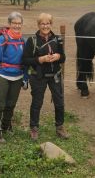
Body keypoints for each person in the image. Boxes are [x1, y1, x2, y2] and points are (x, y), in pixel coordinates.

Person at [22, 13, 68, 141]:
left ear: (51, 24)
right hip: (38, 77)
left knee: (59, 103)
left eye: (48, 23)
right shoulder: (32, 40)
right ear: (38, 25)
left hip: (55, 76)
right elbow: (25, 60)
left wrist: (58, 57)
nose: (45, 26)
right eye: (43, 23)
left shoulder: (57, 39)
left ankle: (60, 127)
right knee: (37, 103)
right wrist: (40, 59)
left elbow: (63, 57)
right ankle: (34, 129)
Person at [0, 12, 25, 143]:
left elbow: (25, 62)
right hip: (2, 75)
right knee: (0, 104)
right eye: (14, 23)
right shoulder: (2, 40)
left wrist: (25, 78)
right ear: (9, 24)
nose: (17, 26)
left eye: (19, 23)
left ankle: (6, 126)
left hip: (17, 77)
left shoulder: (22, 41)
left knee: (11, 104)